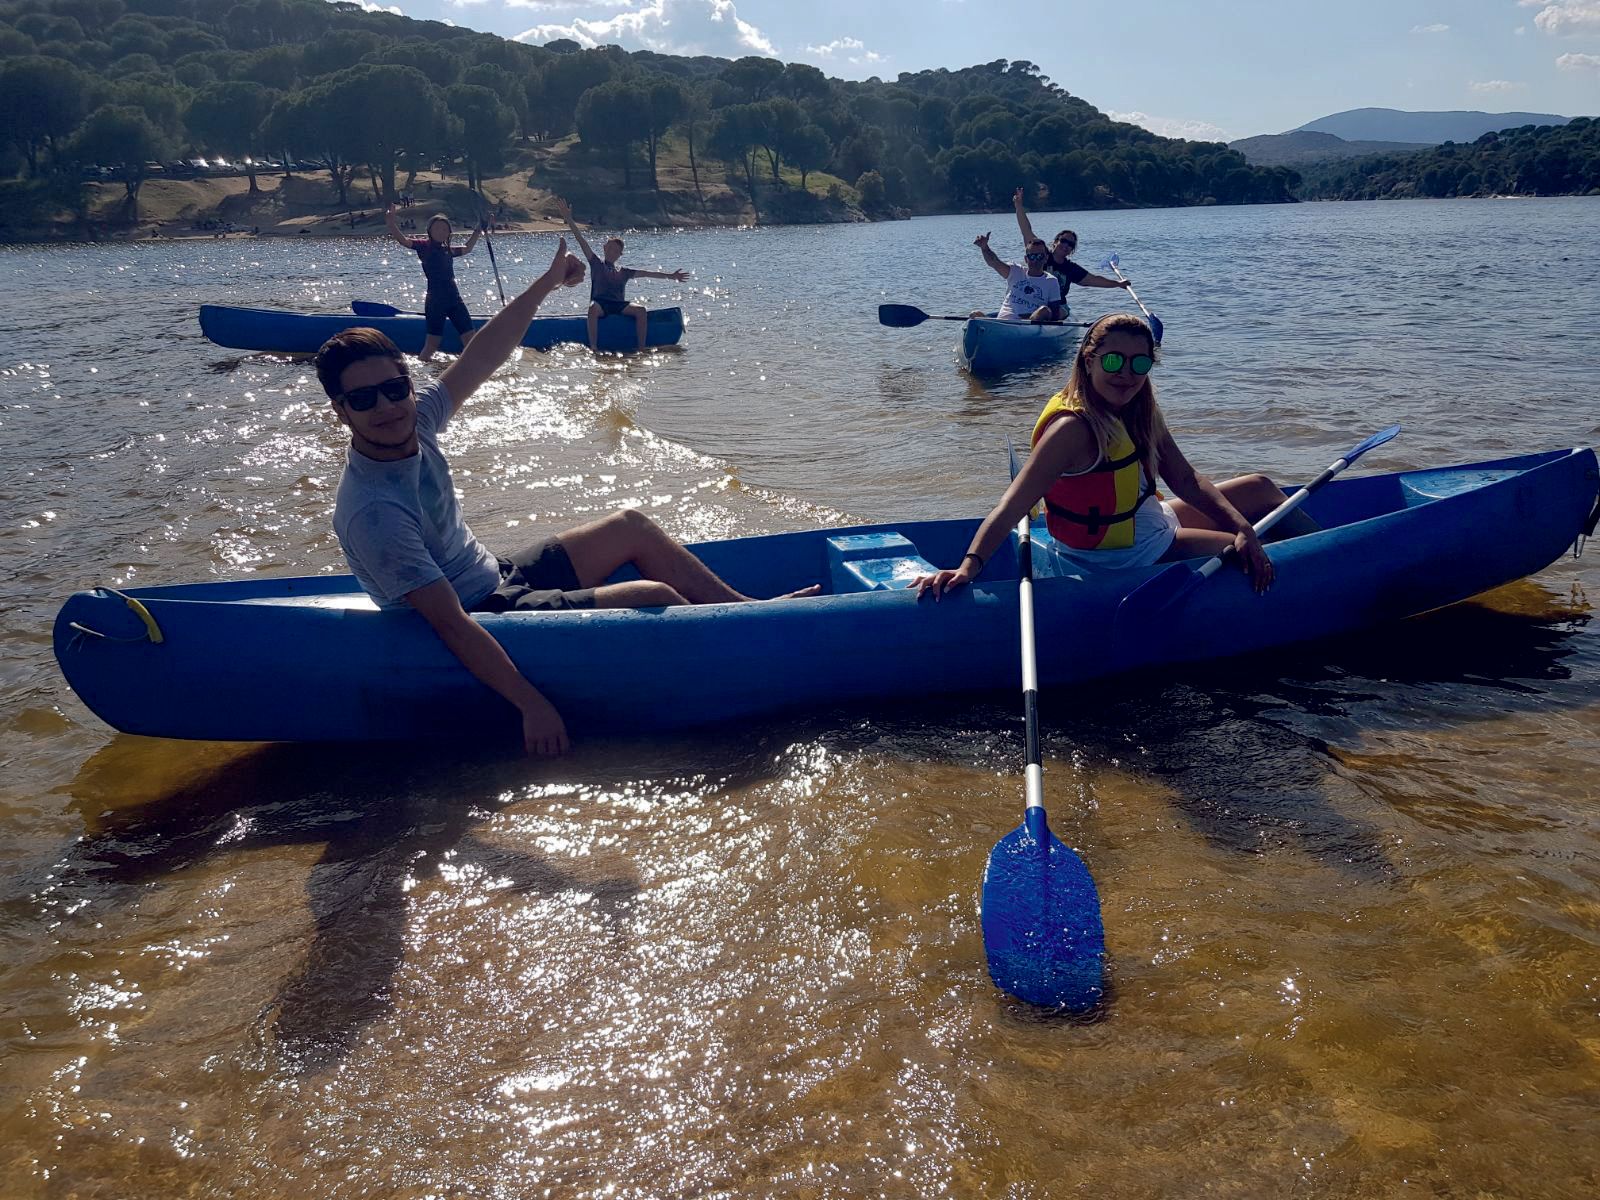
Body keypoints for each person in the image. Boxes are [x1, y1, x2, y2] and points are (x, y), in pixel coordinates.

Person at [315, 237, 818, 758]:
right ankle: (743, 673)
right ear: (341, 410)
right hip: (481, 610)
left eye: (395, 388)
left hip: (495, 571)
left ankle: (753, 616)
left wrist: (549, 282)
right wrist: (530, 705)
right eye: (363, 398)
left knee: (632, 525)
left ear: (407, 385)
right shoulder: (373, 512)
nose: (387, 407)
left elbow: (487, 350)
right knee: (653, 598)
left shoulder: (417, 418)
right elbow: (450, 625)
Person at [912, 312, 1320, 600]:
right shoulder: (1072, 430)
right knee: (1250, 548)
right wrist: (969, 567)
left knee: (1261, 487)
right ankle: (1307, 571)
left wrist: (1238, 522)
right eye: (1113, 360)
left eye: (1139, 362)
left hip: (1149, 523)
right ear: (1088, 361)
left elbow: (1185, 479)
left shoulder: (1139, 409)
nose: (1126, 373)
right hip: (1127, 553)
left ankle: (1328, 551)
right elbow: (1013, 504)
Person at [552, 197, 690, 352]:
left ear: (620, 255)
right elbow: (581, 240)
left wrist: (671, 276)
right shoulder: (596, 264)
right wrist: (569, 219)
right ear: (604, 249)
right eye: (610, 248)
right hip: (600, 304)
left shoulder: (623, 272)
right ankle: (594, 347)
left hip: (618, 306)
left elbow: (646, 273)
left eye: (616, 251)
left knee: (641, 310)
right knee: (592, 309)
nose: (612, 252)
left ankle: (641, 348)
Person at [386, 204, 482, 361]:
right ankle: (420, 373)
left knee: (470, 339)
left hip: (455, 300)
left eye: (445, 229)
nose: (441, 232)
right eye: (437, 229)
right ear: (430, 231)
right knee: (432, 345)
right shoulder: (424, 247)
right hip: (435, 302)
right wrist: (391, 223)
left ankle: (471, 370)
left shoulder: (448, 250)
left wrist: (479, 229)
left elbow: (468, 248)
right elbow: (403, 241)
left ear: (449, 233)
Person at [1012, 188, 1130, 303]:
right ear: (1055, 242)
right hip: (1033, 301)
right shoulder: (1040, 254)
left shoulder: (1071, 269)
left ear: (1072, 250)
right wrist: (1019, 206)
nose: (1066, 245)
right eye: (1063, 241)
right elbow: (1026, 230)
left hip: (1057, 307)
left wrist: (1118, 284)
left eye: (1070, 244)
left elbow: (1093, 280)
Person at [969, 231, 1064, 324]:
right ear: (1026, 259)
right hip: (1002, 322)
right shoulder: (1015, 271)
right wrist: (985, 248)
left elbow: (1054, 314)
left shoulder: (1051, 281)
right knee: (974, 314)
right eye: (1032, 256)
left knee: (1044, 310)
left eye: (1040, 256)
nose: (1036, 260)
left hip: (1028, 325)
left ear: (1046, 258)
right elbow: (994, 262)